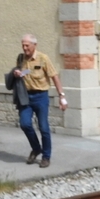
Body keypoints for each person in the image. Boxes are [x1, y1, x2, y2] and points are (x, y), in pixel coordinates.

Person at [13, 33, 67, 168]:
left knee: (43, 127)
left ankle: (46, 156)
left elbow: (54, 77)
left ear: (34, 45)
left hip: (41, 96)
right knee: (25, 124)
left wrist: (61, 96)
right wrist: (18, 74)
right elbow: (27, 72)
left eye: (27, 45)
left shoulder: (43, 59)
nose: (25, 48)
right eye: (23, 45)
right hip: (26, 97)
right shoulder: (20, 58)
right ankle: (36, 148)